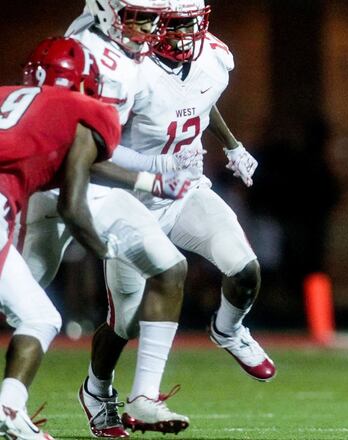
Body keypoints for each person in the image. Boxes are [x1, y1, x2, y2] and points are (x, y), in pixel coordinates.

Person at [83, 2, 275, 433]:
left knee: (245, 269)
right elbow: (100, 149)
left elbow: (200, 102)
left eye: (192, 22)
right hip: (130, 200)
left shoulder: (215, 56)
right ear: (153, 23)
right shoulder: (129, 70)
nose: (186, 32)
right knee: (124, 321)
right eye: (176, 23)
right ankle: (97, 387)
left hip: (186, 193)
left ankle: (228, 330)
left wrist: (231, 144)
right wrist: (158, 169)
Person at [0, 34, 183, 440]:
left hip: (22, 204)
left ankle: (11, 409)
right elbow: (73, 197)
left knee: (32, 311)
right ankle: (9, 409)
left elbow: (67, 162)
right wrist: (105, 247)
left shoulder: (8, 97)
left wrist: (146, 181)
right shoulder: (84, 109)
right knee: (38, 315)